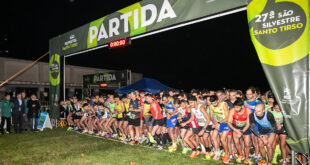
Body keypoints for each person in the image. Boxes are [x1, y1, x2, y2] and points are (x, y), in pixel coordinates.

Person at [227, 98, 252, 163]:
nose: (236, 109)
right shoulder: (232, 110)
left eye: (237, 107)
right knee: (236, 142)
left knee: (247, 144)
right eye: (235, 107)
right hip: (236, 127)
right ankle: (241, 154)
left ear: (242, 106)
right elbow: (229, 122)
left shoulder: (248, 111)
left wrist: (241, 132)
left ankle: (247, 157)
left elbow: (248, 124)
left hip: (245, 127)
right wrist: (236, 130)